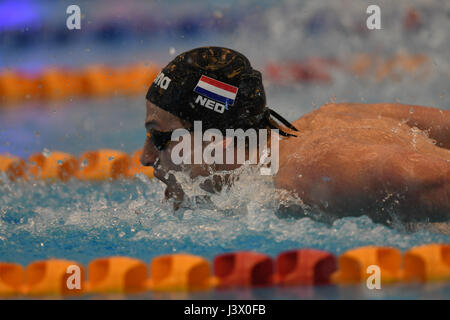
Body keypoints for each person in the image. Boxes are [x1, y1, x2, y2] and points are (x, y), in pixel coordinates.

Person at [141, 46, 449, 226]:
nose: (145, 157)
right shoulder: (326, 118)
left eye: (160, 138)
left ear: (217, 140)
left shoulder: (308, 177)